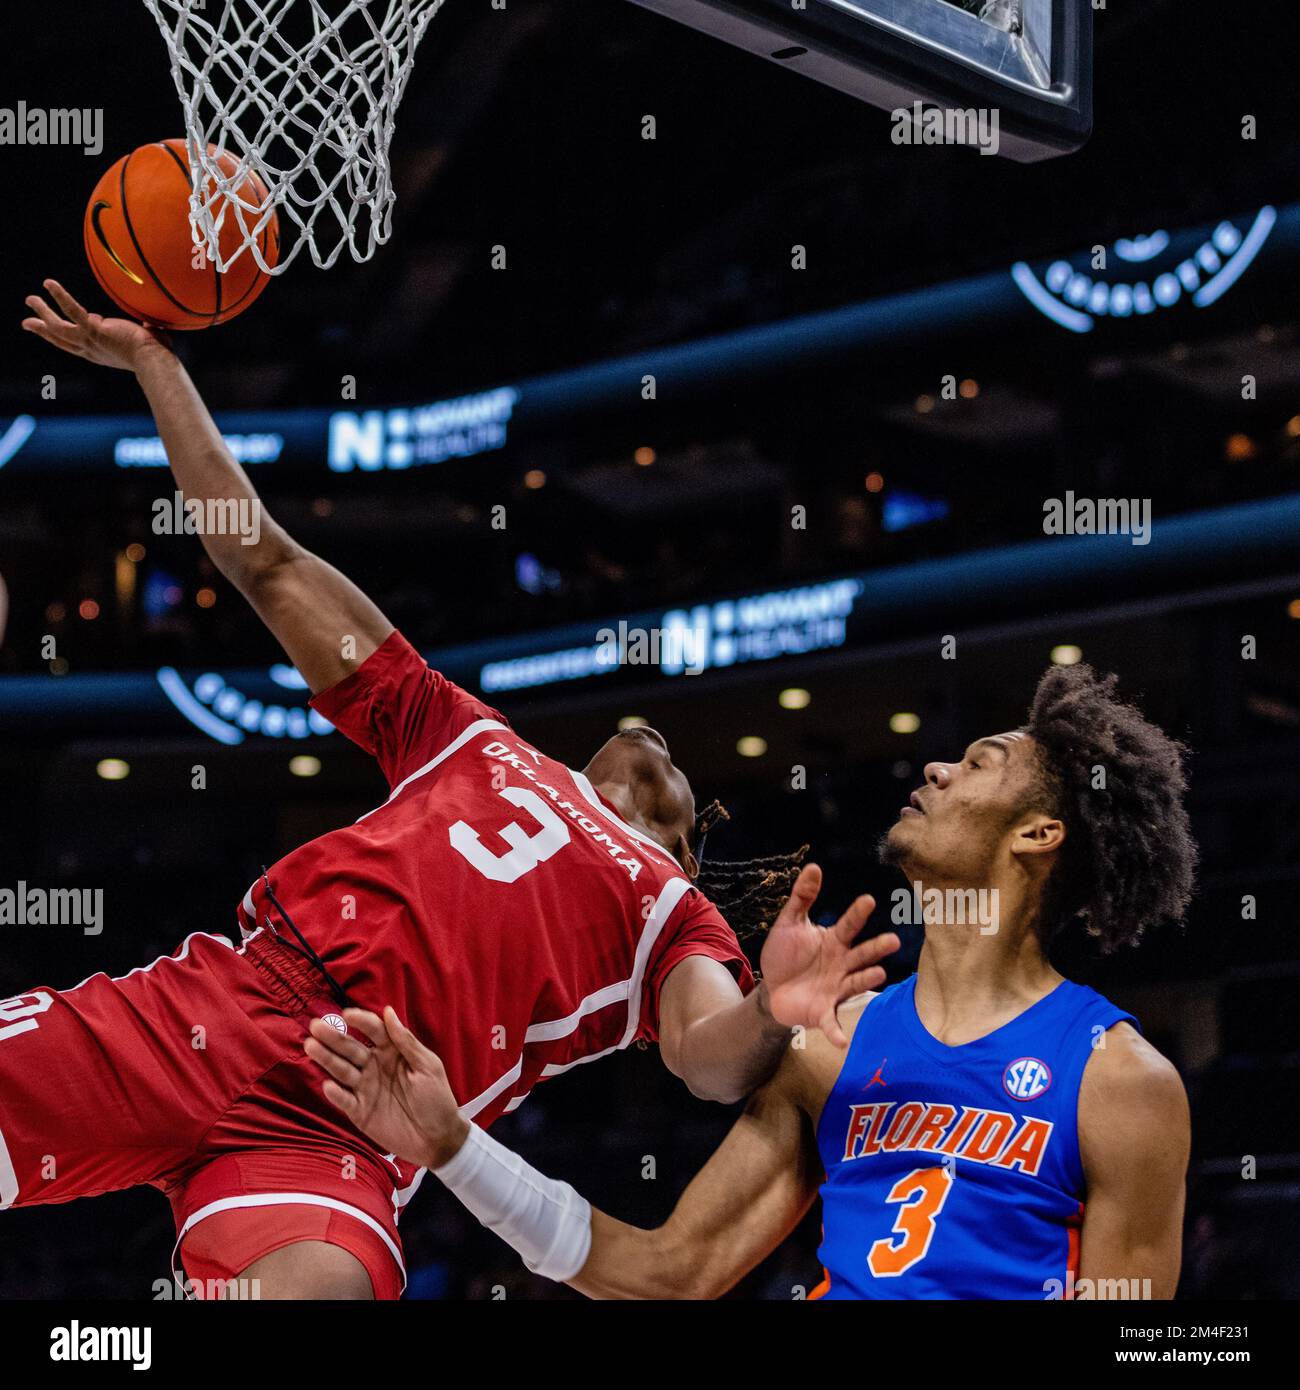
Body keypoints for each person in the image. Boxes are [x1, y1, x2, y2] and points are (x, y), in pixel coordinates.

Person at [3, 281, 899, 1299]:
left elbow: (708, 1059)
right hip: (222, 1004)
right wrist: (160, 369)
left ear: (688, 849)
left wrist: (773, 1008)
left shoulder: (672, 912)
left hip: (346, 1123)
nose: (662, 757)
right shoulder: (465, 732)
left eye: (692, 795)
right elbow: (265, 562)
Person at [307, 664, 1196, 1299]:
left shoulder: (1121, 1083)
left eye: (978, 763)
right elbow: (669, 1274)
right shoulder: (825, 1054)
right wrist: (458, 1148)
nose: (937, 767)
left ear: (1039, 836)